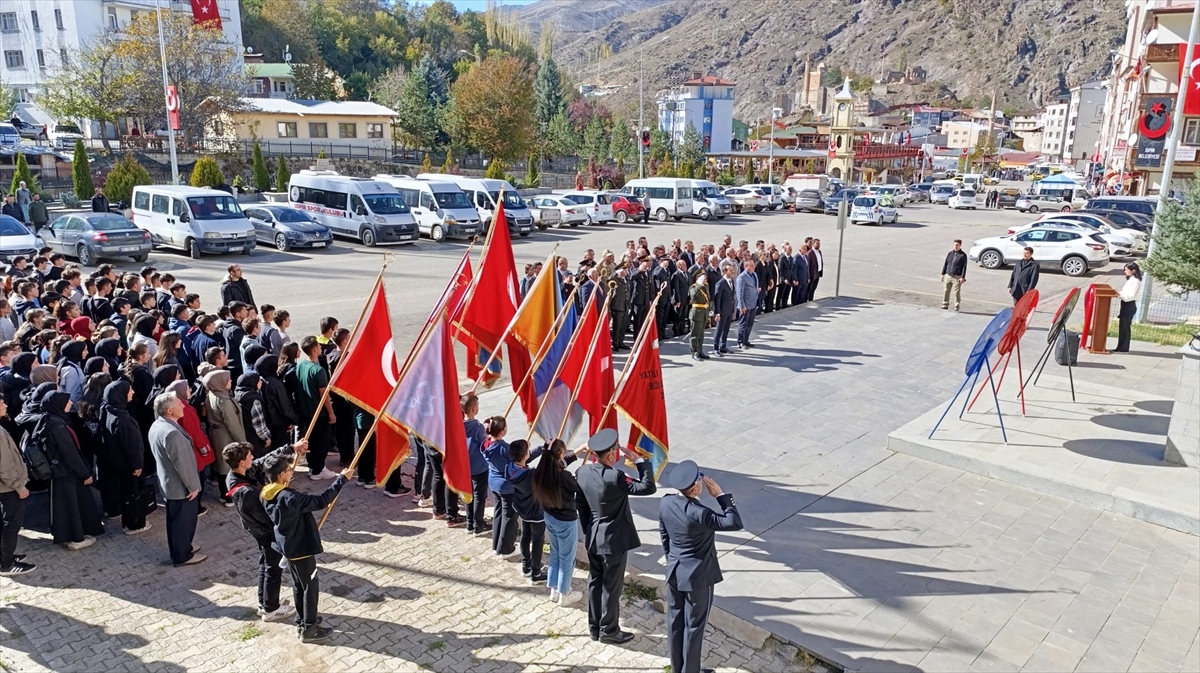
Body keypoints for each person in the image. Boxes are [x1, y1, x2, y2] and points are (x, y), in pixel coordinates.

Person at [658, 461, 743, 673]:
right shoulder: (699, 512)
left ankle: (679, 669)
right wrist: (721, 496)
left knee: (675, 623)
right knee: (694, 627)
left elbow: (665, 536)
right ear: (696, 488)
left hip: (675, 571)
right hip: (697, 578)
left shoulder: (666, 503)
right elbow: (734, 522)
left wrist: (672, 560)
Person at [260, 452, 353, 643]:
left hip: (287, 546)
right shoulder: (289, 497)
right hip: (300, 548)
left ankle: (302, 618)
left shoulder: (266, 493)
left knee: (299, 585)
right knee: (310, 587)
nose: (290, 471)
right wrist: (341, 480)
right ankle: (309, 629)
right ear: (280, 475)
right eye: (288, 469)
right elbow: (320, 501)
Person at [575, 428, 657, 644]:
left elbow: (581, 506)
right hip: (613, 542)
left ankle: (595, 627)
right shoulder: (616, 477)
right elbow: (647, 487)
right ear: (610, 456)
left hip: (593, 537)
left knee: (595, 582)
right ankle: (609, 631)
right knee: (611, 587)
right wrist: (640, 462)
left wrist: (589, 529)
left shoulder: (582, 472)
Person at [223, 440, 303, 624]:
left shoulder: (239, 472)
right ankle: (271, 609)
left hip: (261, 531)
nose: (253, 458)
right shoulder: (246, 492)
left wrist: (290, 448)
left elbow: (262, 461)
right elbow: (266, 517)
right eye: (249, 456)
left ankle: (265, 602)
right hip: (266, 533)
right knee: (273, 568)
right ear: (242, 461)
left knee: (266, 564)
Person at [38, 390, 105, 549]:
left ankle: (73, 536)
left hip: (60, 472)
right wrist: (85, 473)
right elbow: (70, 454)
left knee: (66, 507)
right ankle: (76, 539)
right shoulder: (58, 427)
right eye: (66, 401)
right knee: (72, 507)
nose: (70, 403)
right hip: (66, 473)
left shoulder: (49, 420)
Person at [148, 392, 204, 566]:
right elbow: (182, 463)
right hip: (180, 487)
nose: (183, 406)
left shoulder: (158, 425)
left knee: (176, 521)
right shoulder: (171, 433)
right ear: (170, 410)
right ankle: (182, 555)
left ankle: (182, 547)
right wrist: (193, 486)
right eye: (180, 404)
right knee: (182, 522)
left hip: (170, 484)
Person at [531, 438, 589, 605]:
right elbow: (579, 488)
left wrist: (581, 448)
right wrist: (580, 474)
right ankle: (565, 593)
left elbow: (563, 462)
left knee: (555, 553)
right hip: (566, 521)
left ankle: (554, 590)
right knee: (567, 558)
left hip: (549, 517)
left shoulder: (541, 471)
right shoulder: (565, 476)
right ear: (560, 454)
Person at [99, 380, 150, 534]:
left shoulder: (107, 411)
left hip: (116, 463)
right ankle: (134, 524)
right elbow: (133, 446)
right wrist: (137, 465)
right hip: (128, 465)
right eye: (129, 390)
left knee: (124, 493)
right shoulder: (123, 420)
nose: (133, 392)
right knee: (133, 493)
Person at [0, 396, 33, 574]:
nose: (5, 405)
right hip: (8, 488)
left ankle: (5, 555)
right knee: (11, 524)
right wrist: (19, 486)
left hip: (6, 486)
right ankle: (6, 563)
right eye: (1, 403)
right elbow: (4, 466)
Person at [506, 439, 546, 583]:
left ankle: (526, 566)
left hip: (522, 509)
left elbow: (526, 458)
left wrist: (542, 448)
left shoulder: (510, 467)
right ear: (525, 456)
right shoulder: (531, 475)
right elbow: (547, 469)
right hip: (536, 513)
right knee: (537, 540)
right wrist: (549, 453)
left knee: (525, 536)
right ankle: (535, 573)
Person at [296, 337, 335, 479]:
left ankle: (313, 466)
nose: (320, 348)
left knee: (311, 440)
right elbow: (324, 395)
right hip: (319, 413)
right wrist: (331, 412)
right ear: (314, 349)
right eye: (319, 346)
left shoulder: (300, 365)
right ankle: (318, 470)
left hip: (306, 411)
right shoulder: (319, 371)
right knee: (321, 442)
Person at [484, 416, 518, 557]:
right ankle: (506, 549)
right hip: (506, 485)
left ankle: (496, 544)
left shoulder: (486, 444)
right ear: (503, 431)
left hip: (493, 482)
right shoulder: (504, 447)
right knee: (509, 516)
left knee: (498, 513)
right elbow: (516, 462)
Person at [461, 394, 489, 535]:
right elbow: (485, 444)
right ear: (473, 409)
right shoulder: (477, 427)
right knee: (479, 495)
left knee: (469, 494)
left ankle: (470, 522)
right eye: (477, 405)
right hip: (479, 467)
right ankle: (478, 525)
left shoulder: (458, 424)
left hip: (465, 466)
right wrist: (487, 432)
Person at [1114, 262, 1142, 353]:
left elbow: (1131, 296)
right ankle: (1120, 346)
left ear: (1133, 270)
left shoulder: (1135, 281)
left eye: (1126, 269)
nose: (1124, 271)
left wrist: (1120, 294)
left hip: (1129, 305)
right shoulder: (1130, 280)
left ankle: (1124, 347)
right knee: (1122, 326)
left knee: (1125, 327)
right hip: (1125, 304)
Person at [711, 264, 736, 357]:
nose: (732, 272)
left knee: (726, 329)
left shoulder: (731, 281)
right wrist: (717, 312)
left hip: (729, 310)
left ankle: (723, 346)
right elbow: (717, 298)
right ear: (724, 272)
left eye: (732, 270)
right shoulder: (720, 283)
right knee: (719, 330)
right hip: (722, 311)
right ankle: (715, 348)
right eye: (730, 270)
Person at [734, 261, 759, 350]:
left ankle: (746, 340)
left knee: (750, 323)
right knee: (743, 324)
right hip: (745, 305)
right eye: (751, 265)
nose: (753, 267)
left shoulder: (754, 275)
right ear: (746, 266)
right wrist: (741, 305)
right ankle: (740, 341)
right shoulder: (742, 277)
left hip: (753, 303)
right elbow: (739, 293)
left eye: (753, 265)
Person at [687, 270, 710, 361]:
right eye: (702, 277)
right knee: (695, 334)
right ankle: (694, 352)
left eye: (705, 276)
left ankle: (700, 350)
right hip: (696, 313)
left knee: (701, 334)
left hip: (704, 312)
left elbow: (707, 299)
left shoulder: (706, 286)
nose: (704, 278)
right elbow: (694, 296)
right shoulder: (693, 287)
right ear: (697, 277)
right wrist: (699, 284)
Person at [940, 239, 968, 312]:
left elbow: (964, 267)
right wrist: (942, 274)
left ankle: (956, 306)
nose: (955, 246)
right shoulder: (950, 253)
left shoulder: (963, 255)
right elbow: (946, 263)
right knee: (946, 290)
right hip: (948, 275)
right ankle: (945, 304)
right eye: (954, 245)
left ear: (960, 245)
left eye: (957, 245)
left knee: (956, 292)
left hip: (957, 277)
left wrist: (962, 277)